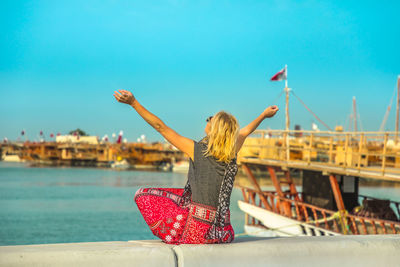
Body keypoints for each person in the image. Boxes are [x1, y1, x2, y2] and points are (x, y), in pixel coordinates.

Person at [113, 89, 278, 244]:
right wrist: (263, 115)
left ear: (214, 129)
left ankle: (176, 234)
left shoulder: (197, 150)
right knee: (182, 200)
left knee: (143, 195)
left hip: (198, 233)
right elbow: (244, 132)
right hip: (224, 233)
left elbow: (160, 127)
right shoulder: (231, 152)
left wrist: (134, 103)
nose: (206, 121)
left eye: (209, 120)